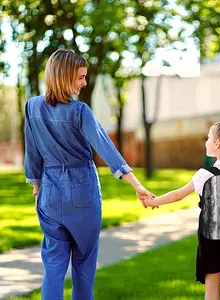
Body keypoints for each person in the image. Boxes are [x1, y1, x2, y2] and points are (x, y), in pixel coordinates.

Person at [24, 49, 153, 300]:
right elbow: (107, 148)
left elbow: (32, 153)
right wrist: (136, 185)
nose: (84, 83)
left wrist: (37, 189)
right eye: (80, 77)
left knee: (53, 264)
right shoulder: (79, 111)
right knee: (83, 265)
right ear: (64, 77)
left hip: (49, 193)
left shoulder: (32, 107)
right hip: (82, 191)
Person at [144, 120, 220, 300]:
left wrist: (154, 202)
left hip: (212, 243)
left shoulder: (204, 175)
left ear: (217, 144)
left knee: (211, 294)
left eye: (208, 138)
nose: (206, 142)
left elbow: (178, 195)